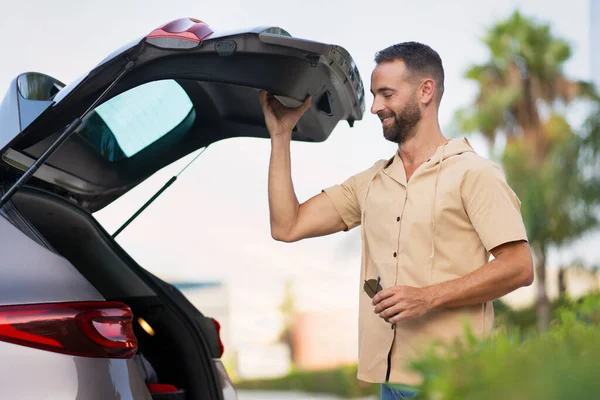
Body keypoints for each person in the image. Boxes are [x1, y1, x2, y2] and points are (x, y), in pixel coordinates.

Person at [259, 41, 534, 400]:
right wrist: (280, 135)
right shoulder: (371, 182)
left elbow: (519, 267)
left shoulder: (474, 173)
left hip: (453, 383)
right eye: (374, 95)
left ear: (425, 91)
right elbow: (287, 226)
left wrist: (428, 298)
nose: (375, 107)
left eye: (386, 94)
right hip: (390, 384)